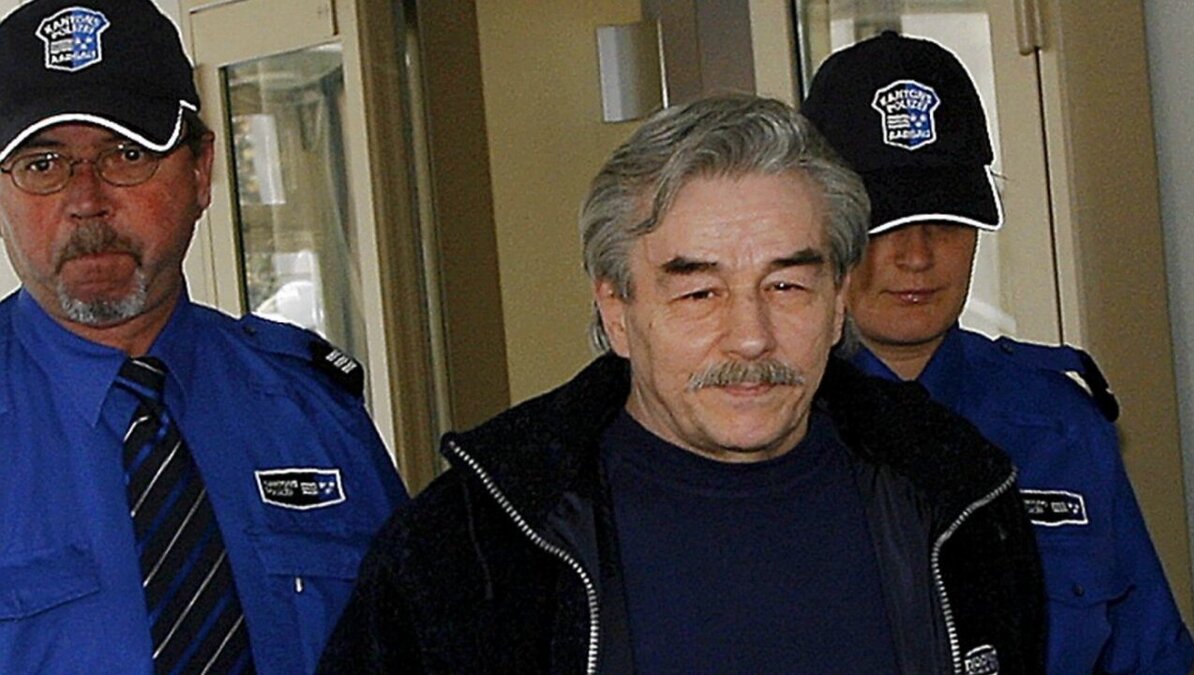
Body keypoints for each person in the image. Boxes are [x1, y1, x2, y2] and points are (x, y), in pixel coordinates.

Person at [318, 93, 1044, 674]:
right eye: (699, 293)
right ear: (617, 310)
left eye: (787, 285)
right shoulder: (474, 547)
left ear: (837, 302)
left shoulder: (960, 497)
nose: (751, 335)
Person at [0, 1, 407, 672]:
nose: (86, 199)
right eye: (43, 165)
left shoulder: (313, 413)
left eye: (127, 154)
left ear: (200, 170)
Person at [801, 31, 1194, 674]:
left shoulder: (1058, 424)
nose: (917, 255)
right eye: (883, 225)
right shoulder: (772, 428)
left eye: (945, 221)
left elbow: (1146, 655)